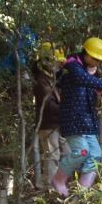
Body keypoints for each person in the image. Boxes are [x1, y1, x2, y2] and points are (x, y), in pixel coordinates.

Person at [51, 37, 102, 197]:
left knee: (95, 155)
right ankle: (59, 180)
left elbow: (88, 84)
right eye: (94, 58)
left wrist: (98, 90)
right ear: (86, 53)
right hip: (72, 119)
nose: (96, 62)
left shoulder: (90, 71)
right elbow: (80, 78)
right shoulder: (72, 65)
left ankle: (82, 192)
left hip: (87, 120)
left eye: (99, 60)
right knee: (81, 151)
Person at [31, 42, 68, 188]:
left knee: (67, 152)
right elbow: (49, 106)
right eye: (56, 62)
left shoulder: (51, 79)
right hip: (47, 125)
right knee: (52, 155)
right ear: (46, 61)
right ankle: (51, 187)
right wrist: (66, 110)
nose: (59, 65)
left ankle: (59, 182)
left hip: (57, 123)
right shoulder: (41, 81)